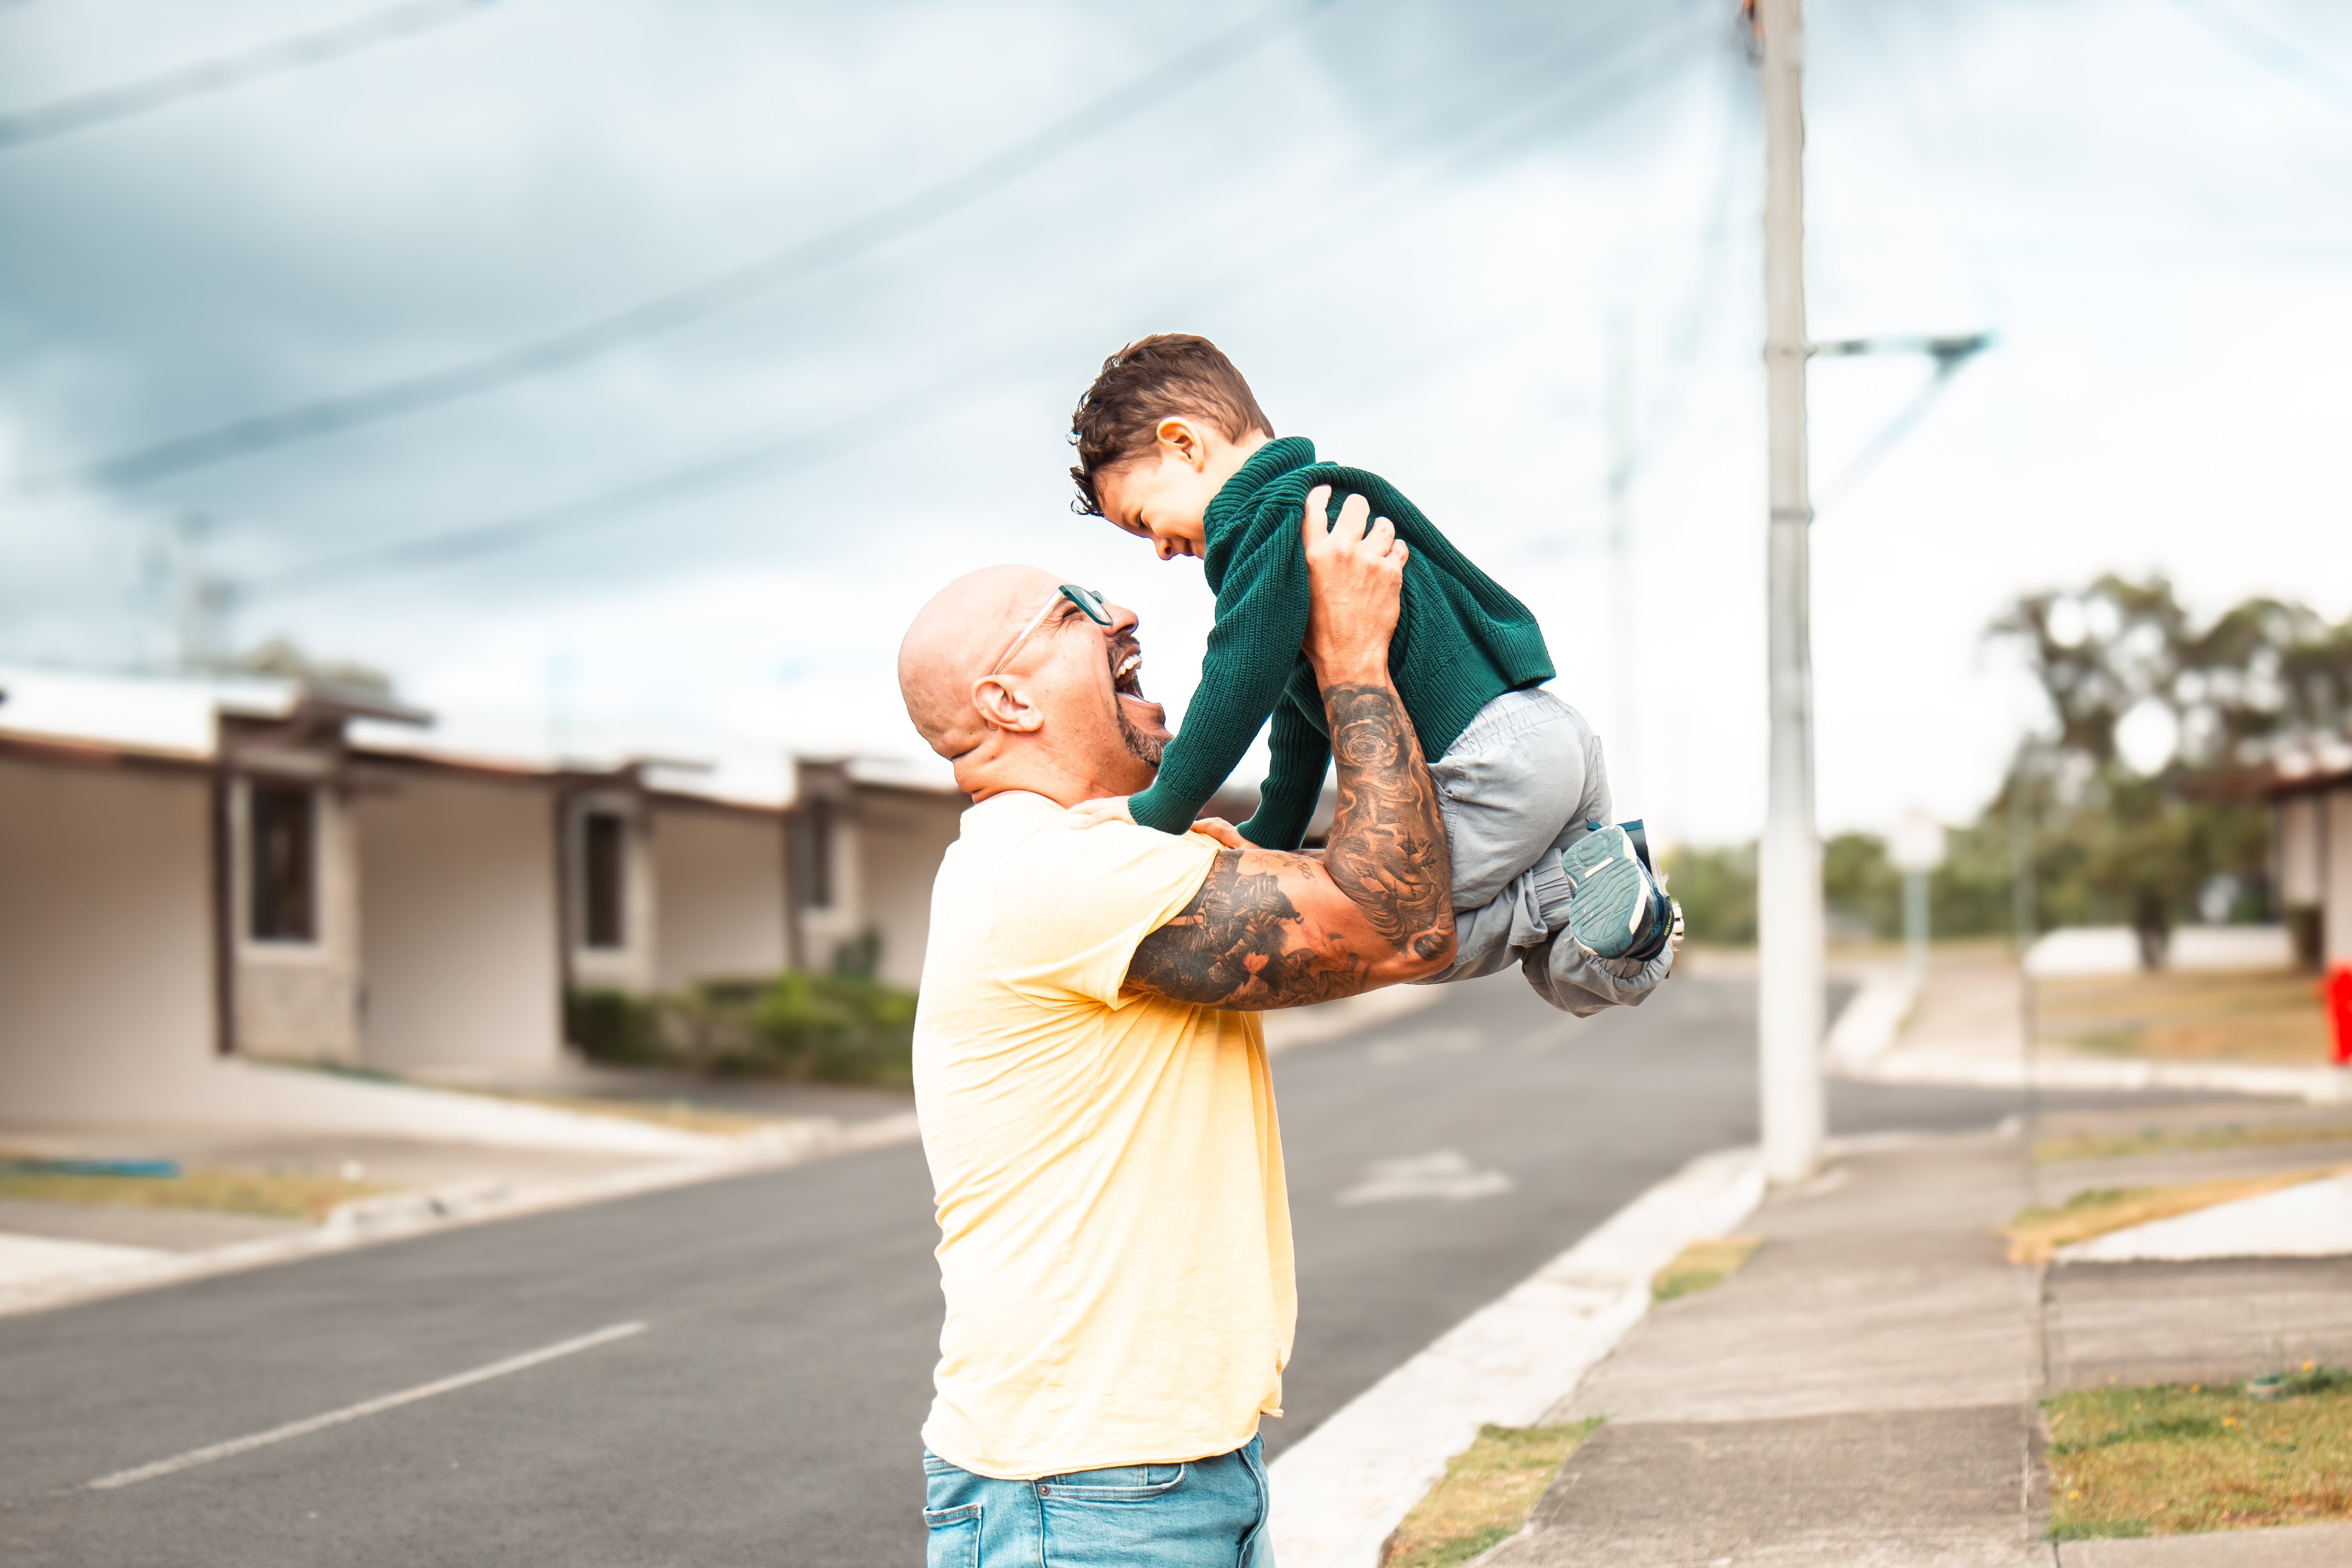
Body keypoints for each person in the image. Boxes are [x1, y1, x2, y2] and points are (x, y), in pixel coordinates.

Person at [895, 490, 1453, 1567]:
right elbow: (1402, 923)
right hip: (1089, 1497)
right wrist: (1349, 660)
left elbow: (1385, 878)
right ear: (1007, 702)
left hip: (1158, 1474)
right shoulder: (1052, 872)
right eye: (1072, 612)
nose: (1121, 617)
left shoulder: (1102, 855)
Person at [1065, 333, 1679, 1016]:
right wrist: (1274, 829)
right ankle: (1636, 916)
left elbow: (1238, 678)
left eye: (1144, 519)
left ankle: (1565, 887)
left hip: (1486, 765)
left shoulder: (1265, 523)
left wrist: (1163, 808)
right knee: (1573, 965)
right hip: (1549, 734)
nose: (1158, 550)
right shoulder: (1321, 502)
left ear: (1185, 444)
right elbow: (1301, 720)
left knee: (1392, 927)